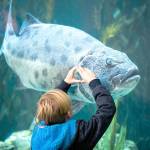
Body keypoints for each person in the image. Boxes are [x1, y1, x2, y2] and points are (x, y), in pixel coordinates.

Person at [31, 66, 116, 150]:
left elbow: (49, 105)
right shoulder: (79, 133)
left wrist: (66, 83)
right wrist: (94, 83)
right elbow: (107, 109)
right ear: (69, 113)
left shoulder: (37, 132)